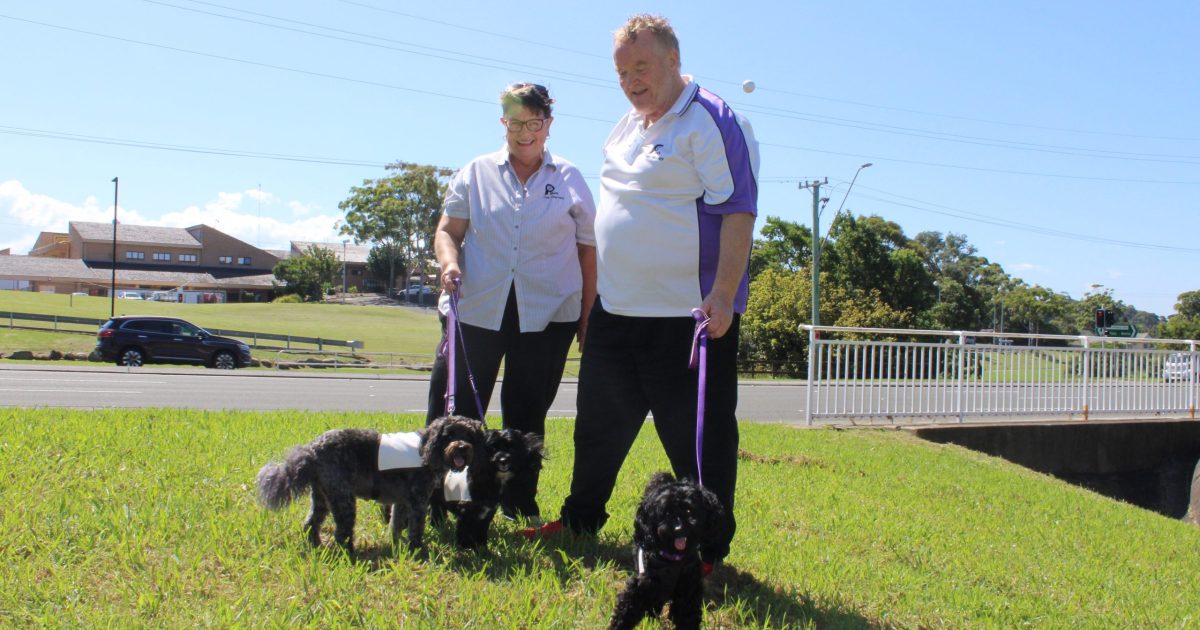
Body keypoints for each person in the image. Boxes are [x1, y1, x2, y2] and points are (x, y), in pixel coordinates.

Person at [525, 15, 759, 573]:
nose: (630, 80)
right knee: (596, 428)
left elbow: (738, 212)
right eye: (621, 70)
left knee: (698, 443)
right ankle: (581, 519)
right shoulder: (625, 126)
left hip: (687, 317)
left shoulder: (712, 120)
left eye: (641, 67)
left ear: (673, 61)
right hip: (616, 311)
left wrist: (723, 295)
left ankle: (707, 552)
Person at [425, 82, 597, 523]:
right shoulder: (475, 172)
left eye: (534, 123)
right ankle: (445, 500)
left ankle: (518, 503)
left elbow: (587, 250)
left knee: (526, 417)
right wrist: (449, 263)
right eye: (516, 123)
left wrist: (587, 316)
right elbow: (448, 231)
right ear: (503, 122)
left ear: (549, 125)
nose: (525, 133)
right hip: (477, 310)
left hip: (548, 315)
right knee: (457, 415)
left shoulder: (570, 178)